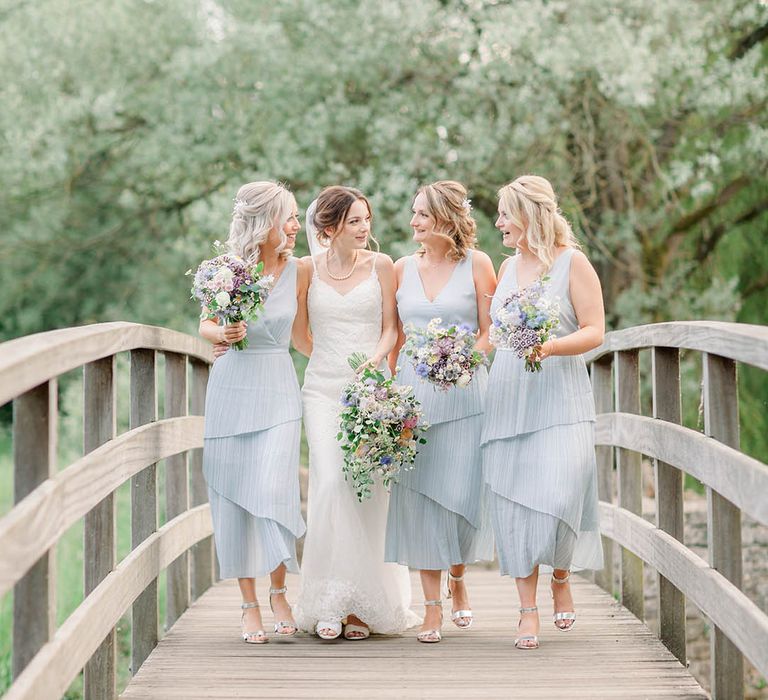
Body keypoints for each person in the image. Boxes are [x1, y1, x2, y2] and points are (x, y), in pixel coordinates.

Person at [481, 175, 605, 650]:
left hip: (561, 394)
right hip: (511, 395)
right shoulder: (506, 269)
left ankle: (561, 574)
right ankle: (527, 609)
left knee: (561, 489)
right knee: (515, 500)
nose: (498, 223)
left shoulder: (574, 264)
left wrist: (549, 346)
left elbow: (595, 331)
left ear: (531, 215)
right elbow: (493, 334)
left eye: (505, 214)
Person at [293, 185, 418, 641]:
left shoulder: (382, 266)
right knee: (328, 482)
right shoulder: (305, 269)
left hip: (371, 392)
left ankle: (363, 607)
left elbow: (391, 329)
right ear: (329, 229)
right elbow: (300, 336)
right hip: (323, 390)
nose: (365, 229)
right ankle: (330, 599)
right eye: (355, 222)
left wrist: (373, 363)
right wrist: (329, 360)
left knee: (368, 491)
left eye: (367, 219)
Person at [384, 181, 496, 643]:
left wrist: (463, 355)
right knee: (420, 499)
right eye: (414, 214)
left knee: (461, 497)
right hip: (413, 393)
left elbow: (492, 332)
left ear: (447, 218)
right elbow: (393, 336)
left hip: (466, 394)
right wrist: (387, 395)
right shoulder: (400, 268)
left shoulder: (479, 264)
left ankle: (459, 577)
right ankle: (432, 608)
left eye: (422, 216)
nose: (413, 223)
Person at [200, 181, 308, 644]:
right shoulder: (224, 270)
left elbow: (304, 336)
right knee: (237, 495)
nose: (297, 225)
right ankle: (248, 604)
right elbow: (205, 323)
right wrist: (221, 334)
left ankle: (279, 590)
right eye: (289, 216)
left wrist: (354, 371)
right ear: (265, 222)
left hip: (278, 387)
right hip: (231, 388)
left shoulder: (300, 271)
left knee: (273, 486)